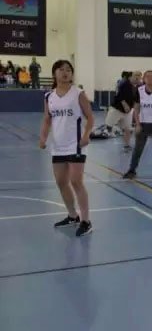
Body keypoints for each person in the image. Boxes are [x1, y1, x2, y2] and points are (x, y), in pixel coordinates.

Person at [39, 60, 95, 237]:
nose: (65, 73)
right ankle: (72, 216)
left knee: (76, 181)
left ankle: (86, 221)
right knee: (61, 182)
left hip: (76, 145)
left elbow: (90, 117)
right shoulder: (49, 96)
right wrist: (43, 137)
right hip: (58, 146)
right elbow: (47, 119)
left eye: (69, 70)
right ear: (54, 73)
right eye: (61, 70)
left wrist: (86, 135)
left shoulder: (78, 93)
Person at [105, 71, 141, 150]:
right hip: (117, 109)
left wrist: (135, 109)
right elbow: (119, 96)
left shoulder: (139, 87)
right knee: (108, 126)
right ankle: (108, 130)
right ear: (131, 77)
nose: (137, 77)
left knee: (127, 129)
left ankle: (127, 145)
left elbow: (137, 99)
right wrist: (125, 105)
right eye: (135, 75)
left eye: (139, 76)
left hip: (127, 112)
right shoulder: (124, 84)